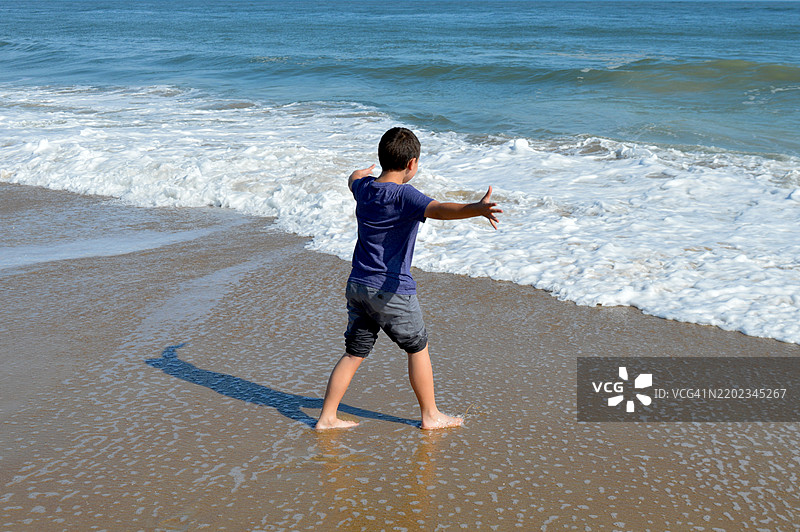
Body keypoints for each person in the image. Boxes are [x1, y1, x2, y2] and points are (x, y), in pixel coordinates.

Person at [315, 127, 502, 430]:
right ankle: (430, 415)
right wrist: (475, 209)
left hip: (358, 285)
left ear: (382, 158)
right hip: (391, 290)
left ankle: (327, 417)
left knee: (354, 353)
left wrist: (359, 173)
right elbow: (439, 210)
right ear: (412, 164)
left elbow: (352, 179)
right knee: (417, 347)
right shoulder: (405, 195)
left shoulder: (364, 188)